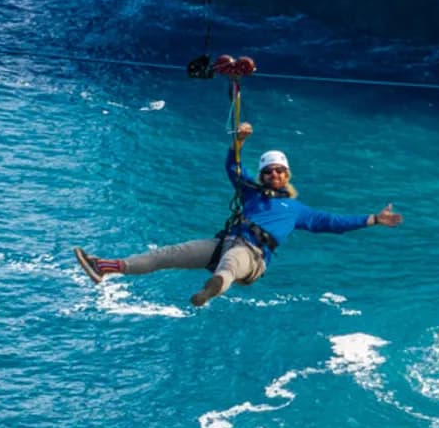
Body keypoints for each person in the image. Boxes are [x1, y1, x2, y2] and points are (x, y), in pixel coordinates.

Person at [74, 122, 402, 307]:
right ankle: (106, 267)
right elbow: (233, 168)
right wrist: (238, 142)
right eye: (270, 171)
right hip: (226, 243)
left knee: (230, 265)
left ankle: (212, 288)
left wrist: (372, 219)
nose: (275, 175)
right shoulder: (251, 191)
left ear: (288, 175)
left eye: (280, 171)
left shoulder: (298, 210)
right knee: (170, 254)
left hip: (253, 258)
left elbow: (332, 223)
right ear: (263, 175)